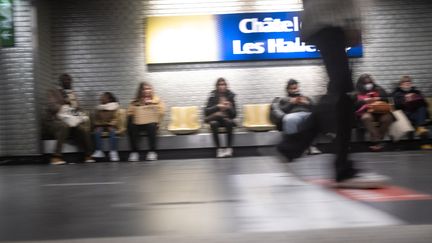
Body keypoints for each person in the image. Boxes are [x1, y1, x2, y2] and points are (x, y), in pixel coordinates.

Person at [276, 0, 389, 188]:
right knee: (344, 94)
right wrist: (354, 21)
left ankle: (291, 147)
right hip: (331, 20)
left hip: (322, 21)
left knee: (339, 92)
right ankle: (342, 170)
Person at [46, 73, 94, 164]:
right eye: (65, 80)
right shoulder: (52, 92)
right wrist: (65, 104)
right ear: (60, 82)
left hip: (71, 120)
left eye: (69, 80)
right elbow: (52, 106)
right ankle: (56, 156)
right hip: (56, 121)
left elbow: (77, 108)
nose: (68, 82)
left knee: (83, 129)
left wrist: (79, 112)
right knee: (64, 126)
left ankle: (88, 155)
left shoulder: (72, 93)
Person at [270, 79, 321, 155]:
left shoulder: (306, 97)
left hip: (307, 114)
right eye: (293, 89)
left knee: (315, 118)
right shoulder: (284, 99)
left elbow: (316, 108)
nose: (295, 90)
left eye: (296, 88)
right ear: (288, 90)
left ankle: (311, 146)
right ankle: (293, 147)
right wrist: (292, 103)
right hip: (293, 115)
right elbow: (282, 110)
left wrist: (307, 103)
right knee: (289, 119)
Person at [355, 74, 394, 151]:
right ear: (361, 84)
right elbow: (354, 104)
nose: (368, 85)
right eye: (365, 83)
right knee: (366, 118)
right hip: (366, 112)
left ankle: (376, 141)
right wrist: (364, 101)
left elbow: (386, 98)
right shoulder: (357, 92)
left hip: (380, 112)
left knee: (388, 118)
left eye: (370, 83)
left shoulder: (378, 88)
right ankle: (378, 142)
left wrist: (378, 98)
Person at [127, 82, 165, 161]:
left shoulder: (157, 100)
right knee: (130, 123)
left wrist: (152, 105)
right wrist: (140, 107)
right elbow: (129, 112)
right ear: (140, 91)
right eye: (144, 89)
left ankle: (152, 151)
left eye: (149, 88)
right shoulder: (135, 102)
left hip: (151, 124)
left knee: (152, 125)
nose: (147, 91)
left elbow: (162, 112)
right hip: (138, 123)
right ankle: (134, 152)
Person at [204, 78, 237, 158]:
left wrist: (229, 107)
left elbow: (234, 115)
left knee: (228, 122)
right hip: (216, 120)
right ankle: (219, 149)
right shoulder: (212, 95)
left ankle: (229, 148)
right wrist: (217, 106)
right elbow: (206, 111)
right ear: (217, 86)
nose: (222, 86)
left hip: (227, 120)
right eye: (220, 84)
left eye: (224, 84)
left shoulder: (230, 95)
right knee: (213, 123)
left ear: (226, 86)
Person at [91, 92, 121, 161]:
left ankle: (113, 151)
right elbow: (96, 119)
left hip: (111, 125)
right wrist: (99, 124)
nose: (101, 98)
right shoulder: (99, 108)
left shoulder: (114, 107)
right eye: (101, 97)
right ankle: (99, 150)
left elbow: (116, 118)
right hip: (101, 125)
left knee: (112, 130)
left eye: (103, 97)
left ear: (109, 99)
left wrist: (111, 124)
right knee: (97, 131)